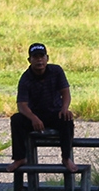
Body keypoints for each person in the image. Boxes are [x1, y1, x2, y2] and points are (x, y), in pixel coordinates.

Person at [8, 43, 76, 172]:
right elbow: (22, 105)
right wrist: (33, 118)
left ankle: (66, 157)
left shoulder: (56, 71)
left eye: (41, 56)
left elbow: (65, 92)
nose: (39, 60)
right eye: (35, 57)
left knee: (67, 119)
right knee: (16, 119)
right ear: (29, 60)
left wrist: (65, 108)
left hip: (55, 112)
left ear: (47, 58)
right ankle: (20, 157)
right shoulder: (25, 78)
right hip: (36, 114)